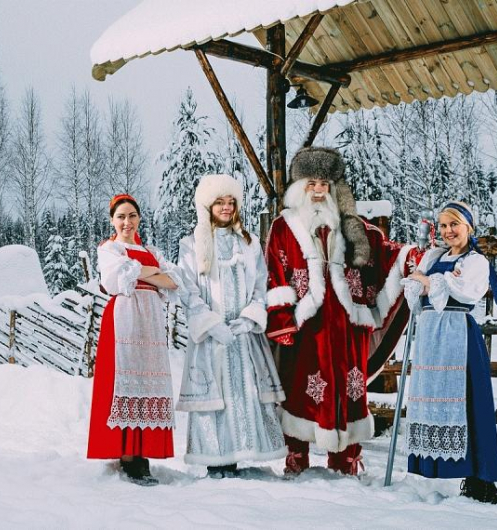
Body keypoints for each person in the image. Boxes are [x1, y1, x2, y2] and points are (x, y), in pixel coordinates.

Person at [265, 147, 414, 475]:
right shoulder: (283, 226)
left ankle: (346, 457)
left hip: (346, 325)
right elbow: (275, 271)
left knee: (350, 387)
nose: (319, 190)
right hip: (307, 326)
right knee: (300, 388)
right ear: (300, 186)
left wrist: (410, 256)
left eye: (325, 183)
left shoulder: (355, 226)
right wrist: (282, 319)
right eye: (311, 183)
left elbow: (383, 250)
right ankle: (296, 454)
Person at [176, 174, 286, 477]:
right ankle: (216, 460)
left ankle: (240, 453)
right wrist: (211, 325)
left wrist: (250, 316)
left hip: (243, 336)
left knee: (243, 392)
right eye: (219, 202)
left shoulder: (247, 243)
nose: (226, 207)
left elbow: (260, 284)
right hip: (212, 338)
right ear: (207, 206)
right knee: (216, 397)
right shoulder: (192, 244)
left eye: (231, 202)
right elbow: (188, 290)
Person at [402, 201, 497, 504]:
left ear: (468, 227)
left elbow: (464, 290)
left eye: (454, 225)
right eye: (443, 226)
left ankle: (481, 479)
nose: (448, 231)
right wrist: (428, 283)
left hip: (459, 333)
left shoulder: (476, 261)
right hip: (431, 337)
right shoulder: (434, 255)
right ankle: (446, 471)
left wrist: (431, 282)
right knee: (436, 400)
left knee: (469, 403)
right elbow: (412, 288)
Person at [87, 194, 182, 486]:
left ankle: (143, 454)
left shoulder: (149, 249)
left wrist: (145, 271)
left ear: (139, 218)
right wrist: (153, 273)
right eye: (121, 217)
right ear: (112, 220)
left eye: (132, 216)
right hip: (125, 319)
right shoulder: (109, 248)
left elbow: (173, 280)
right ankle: (128, 456)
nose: (126, 222)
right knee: (124, 381)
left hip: (151, 323)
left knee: (147, 381)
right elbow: (117, 278)